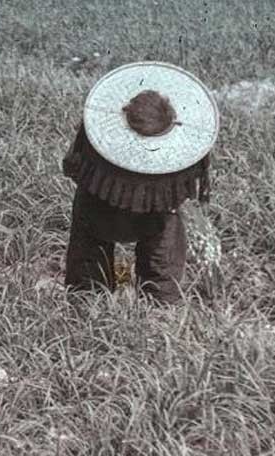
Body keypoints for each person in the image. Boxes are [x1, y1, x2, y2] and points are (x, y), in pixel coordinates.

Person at [62, 62, 220, 304]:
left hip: (145, 206)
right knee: (98, 268)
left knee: (155, 263)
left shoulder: (175, 158)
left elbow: (72, 165)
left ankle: (150, 313)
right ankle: (92, 308)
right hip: (109, 204)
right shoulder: (98, 137)